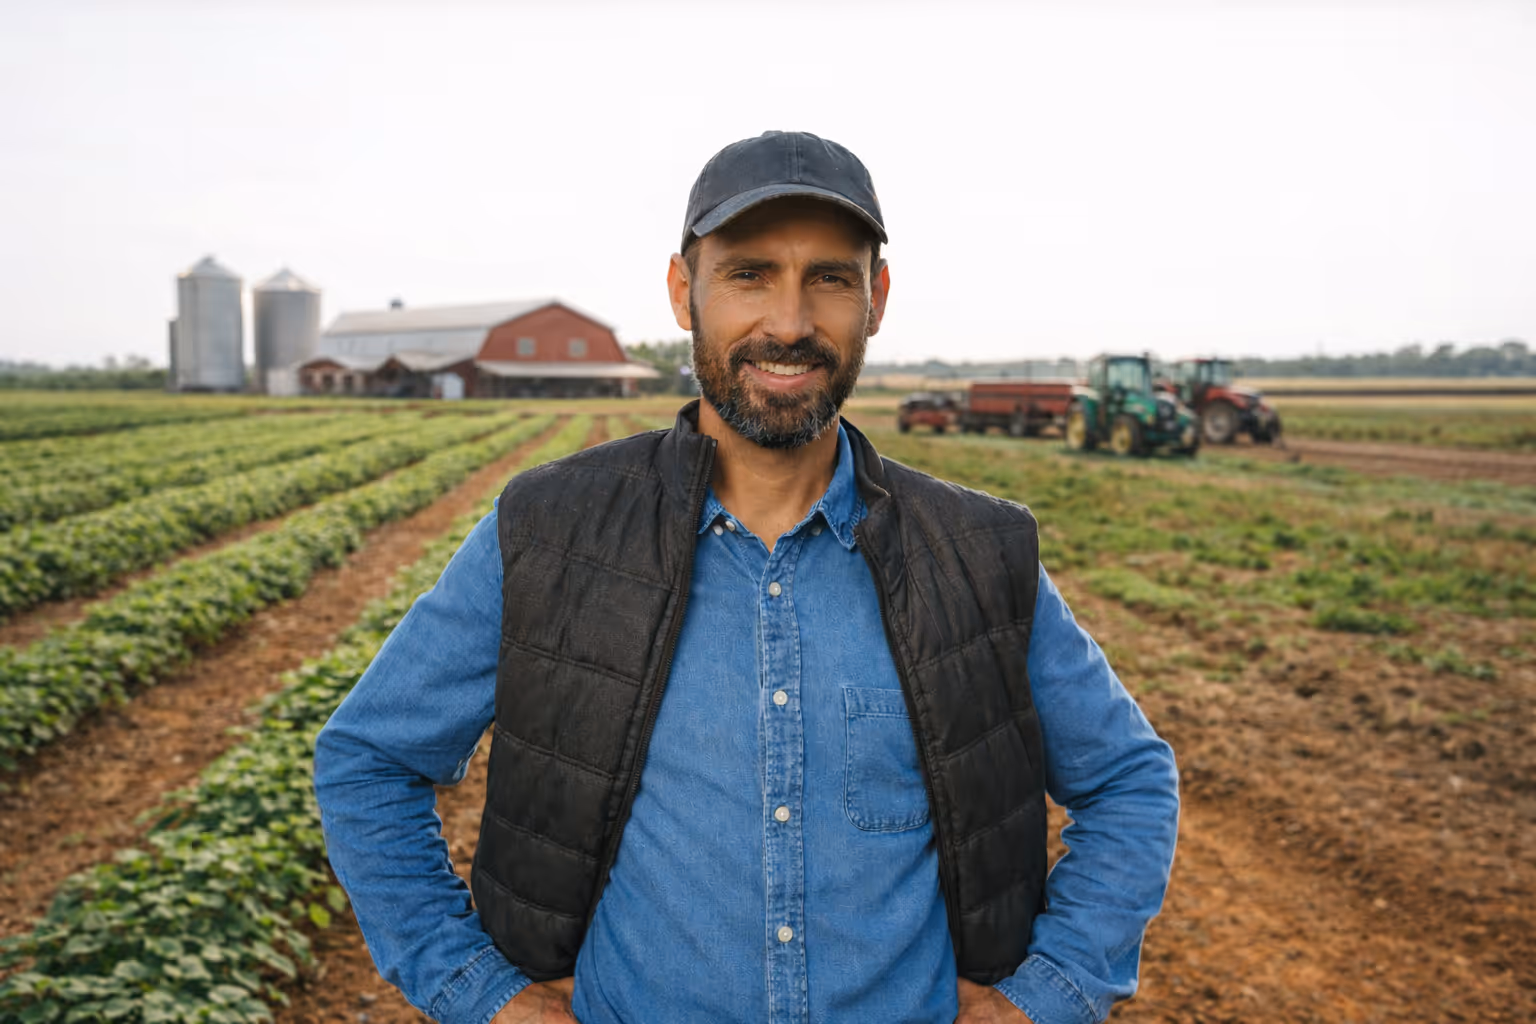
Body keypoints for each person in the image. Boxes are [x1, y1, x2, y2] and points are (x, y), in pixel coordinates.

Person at [314, 131, 1179, 1024]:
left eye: (831, 279)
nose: (791, 323)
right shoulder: (550, 531)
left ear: (876, 299)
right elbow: (369, 758)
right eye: (750, 274)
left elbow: (1130, 780)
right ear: (683, 292)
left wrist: (1048, 995)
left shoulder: (978, 552)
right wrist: (478, 994)